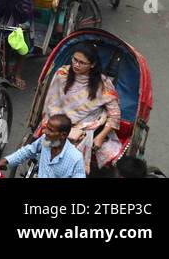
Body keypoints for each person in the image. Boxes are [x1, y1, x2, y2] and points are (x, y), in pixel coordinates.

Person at [39, 41, 121, 172]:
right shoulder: (62, 74)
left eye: (82, 63)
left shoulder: (103, 84)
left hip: (84, 127)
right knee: (43, 146)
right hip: (57, 123)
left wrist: (100, 137)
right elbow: (50, 103)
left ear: (92, 65)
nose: (76, 65)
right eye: (74, 60)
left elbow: (115, 114)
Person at [0, 113, 86, 178]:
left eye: (50, 130)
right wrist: (7, 160)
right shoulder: (46, 142)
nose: (45, 132)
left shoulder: (75, 158)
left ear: (63, 135)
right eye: (47, 128)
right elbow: (29, 151)